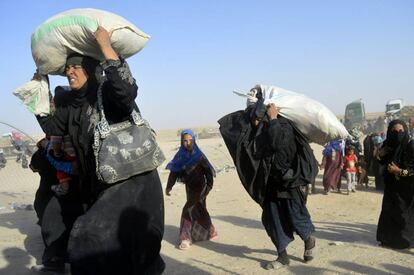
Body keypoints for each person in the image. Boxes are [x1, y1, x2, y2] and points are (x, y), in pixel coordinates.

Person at [31, 26, 165, 274]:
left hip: (132, 183)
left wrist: (105, 46)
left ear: (91, 71)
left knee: (102, 238)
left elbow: (126, 92)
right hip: (99, 184)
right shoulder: (70, 106)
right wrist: (40, 90)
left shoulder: (107, 94)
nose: (69, 71)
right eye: (67, 68)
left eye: (76, 67)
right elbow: (51, 126)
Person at [218, 98, 318, 270]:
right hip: (269, 185)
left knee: (296, 215)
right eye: (253, 117)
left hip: (289, 182)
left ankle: (309, 240)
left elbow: (277, 143)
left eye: (257, 116)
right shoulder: (255, 132)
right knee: (273, 220)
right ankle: (282, 256)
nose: (254, 121)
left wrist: (273, 119)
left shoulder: (283, 126)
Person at [165, 129, 217, 250]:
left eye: (190, 140)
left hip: (201, 187)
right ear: (181, 141)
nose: (188, 143)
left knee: (188, 209)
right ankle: (210, 231)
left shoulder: (199, 155)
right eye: (185, 140)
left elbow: (209, 172)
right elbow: (174, 172)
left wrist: (208, 187)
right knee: (200, 208)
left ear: (194, 140)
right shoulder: (180, 156)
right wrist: (169, 186)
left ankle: (185, 238)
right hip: (190, 187)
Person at [376, 119, 414, 249]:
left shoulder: (411, 146)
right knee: (388, 212)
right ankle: (386, 239)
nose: (398, 134)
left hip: (407, 188)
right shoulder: (388, 146)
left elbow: (412, 170)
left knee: (404, 215)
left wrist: (399, 171)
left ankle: (406, 241)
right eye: (394, 131)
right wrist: (379, 156)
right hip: (391, 187)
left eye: (401, 131)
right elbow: (381, 163)